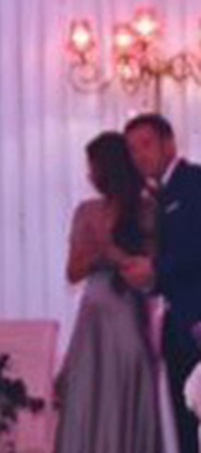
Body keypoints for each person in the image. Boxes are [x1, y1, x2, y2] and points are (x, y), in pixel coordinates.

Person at [53, 131, 161, 453]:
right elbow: (73, 272)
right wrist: (97, 254)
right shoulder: (87, 211)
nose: (89, 175)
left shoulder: (147, 209)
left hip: (128, 310)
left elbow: (151, 272)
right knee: (88, 389)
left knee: (127, 381)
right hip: (94, 313)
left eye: (93, 167)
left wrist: (114, 252)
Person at [127, 112, 201, 453]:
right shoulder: (158, 195)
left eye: (146, 145)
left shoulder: (193, 183)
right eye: (132, 150)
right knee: (183, 422)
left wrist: (154, 268)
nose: (139, 156)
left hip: (196, 319)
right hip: (176, 325)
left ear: (169, 143)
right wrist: (147, 278)